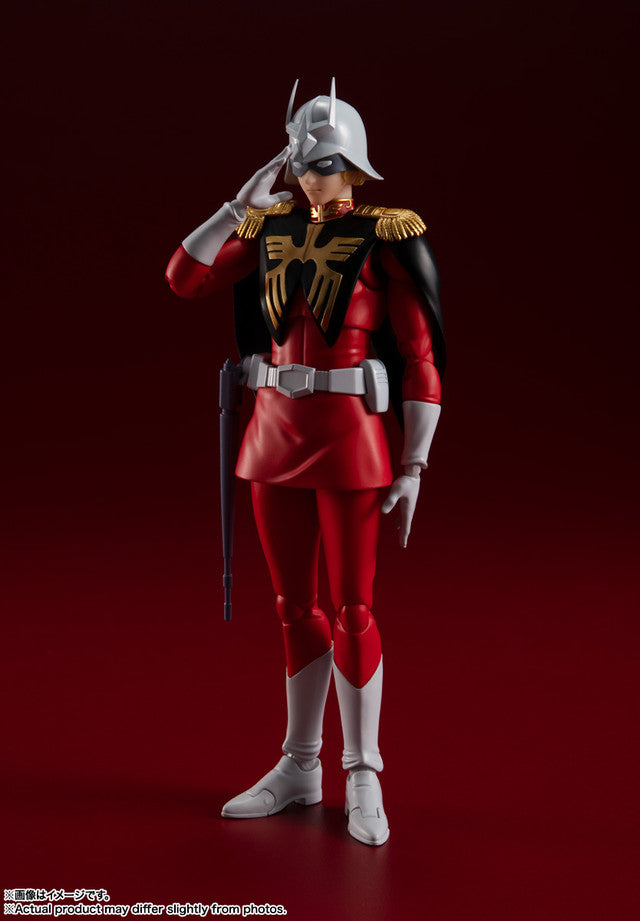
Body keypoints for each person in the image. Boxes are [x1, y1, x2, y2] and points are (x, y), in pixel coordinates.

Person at [166, 79, 445, 846]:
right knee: (293, 605)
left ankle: (363, 771)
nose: (306, 176)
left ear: (352, 167)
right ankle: (299, 764)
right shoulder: (267, 229)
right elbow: (184, 278)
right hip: (274, 433)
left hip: (350, 435)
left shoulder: (387, 236)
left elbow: (420, 356)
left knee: (354, 606)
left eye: (320, 164)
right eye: (299, 163)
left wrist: (414, 464)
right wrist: (237, 204)